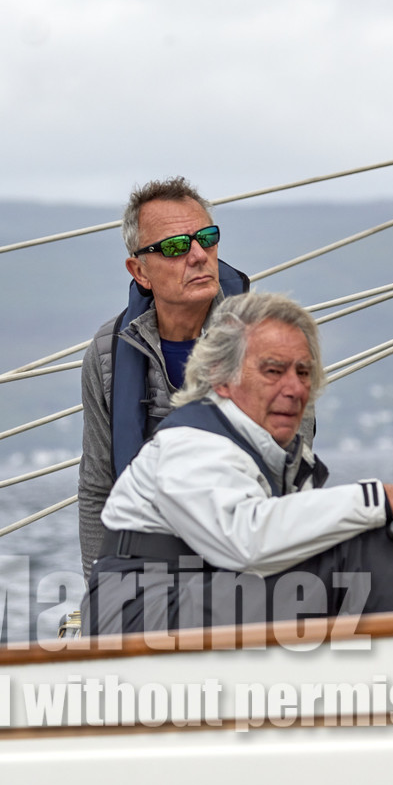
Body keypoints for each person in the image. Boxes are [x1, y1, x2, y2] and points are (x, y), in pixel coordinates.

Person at [83, 292, 393, 636]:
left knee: (358, 539)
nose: (294, 389)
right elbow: (246, 540)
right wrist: (381, 500)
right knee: (358, 549)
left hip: (182, 603)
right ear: (222, 377)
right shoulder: (192, 445)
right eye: (274, 371)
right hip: (136, 617)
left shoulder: (268, 453)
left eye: (303, 373)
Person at [78, 177, 251, 580]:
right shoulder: (107, 354)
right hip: (149, 575)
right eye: (174, 247)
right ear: (140, 271)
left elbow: (293, 470)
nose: (197, 255)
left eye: (206, 238)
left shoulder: (263, 341)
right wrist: (102, 597)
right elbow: (97, 489)